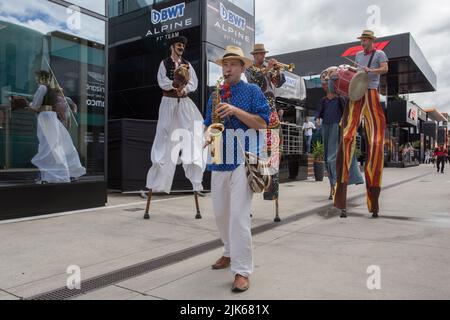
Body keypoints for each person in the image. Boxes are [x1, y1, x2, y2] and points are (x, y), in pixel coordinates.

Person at [204, 46, 270, 293]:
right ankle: (230, 252)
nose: (228, 68)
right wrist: (207, 134)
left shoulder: (253, 91)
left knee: (239, 217)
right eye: (225, 64)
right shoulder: (216, 94)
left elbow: (263, 123)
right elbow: (208, 124)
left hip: (244, 159)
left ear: (243, 67)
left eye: (233, 64)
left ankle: (242, 271)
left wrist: (235, 111)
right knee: (221, 214)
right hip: (220, 158)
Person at [334, 30, 388, 219]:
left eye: (365, 40)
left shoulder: (379, 54)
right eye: (362, 40)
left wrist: (370, 71)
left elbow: (385, 69)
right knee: (347, 136)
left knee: (375, 142)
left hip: (372, 94)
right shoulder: (357, 55)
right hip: (357, 95)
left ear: (371, 40)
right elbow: (356, 74)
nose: (362, 42)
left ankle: (374, 204)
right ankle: (341, 200)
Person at [145, 36, 205, 195]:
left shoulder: (188, 64)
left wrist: (184, 90)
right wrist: (174, 84)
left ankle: (194, 174)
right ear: (172, 46)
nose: (181, 48)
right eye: (178, 45)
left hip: (184, 102)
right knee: (163, 134)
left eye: (182, 46)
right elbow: (161, 80)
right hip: (168, 102)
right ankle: (157, 174)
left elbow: (194, 83)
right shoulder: (164, 63)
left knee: (188, 134)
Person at [245, 43, 286, 213]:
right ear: (254, 56)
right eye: (259, 54)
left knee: (274, 153)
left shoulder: (267, 69)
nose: (262, 57)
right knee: (253, 155)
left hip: (272, 114)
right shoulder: (249, 70)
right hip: (256, 114)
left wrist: (277, 71)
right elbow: (255, 83)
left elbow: (280, 83)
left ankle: (272, 192)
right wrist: (267, 70)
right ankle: (248, 199)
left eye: (263, 54)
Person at [27, 70, 86, 183]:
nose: (35, 80)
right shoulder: (52, 91)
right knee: (55, 146)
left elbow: (35, 106)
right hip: (52, 117)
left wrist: (28, 105)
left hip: (45, 117)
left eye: (36, 78)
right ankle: (65, 174)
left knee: (47, 147)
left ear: (41, 78)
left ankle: (52, 176)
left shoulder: (42, 88)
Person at [316, 67, 364, 200]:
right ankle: (333, 186)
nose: (326, 84)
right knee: (327, 159)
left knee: (334, 158)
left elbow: (347, 115)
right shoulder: (324, 100)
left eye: (329, 82)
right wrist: (318, 119)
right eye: (325, 83)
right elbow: (319, 114)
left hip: (338, 130)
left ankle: (338, 186)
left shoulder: (340, 100)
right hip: (326, 129)